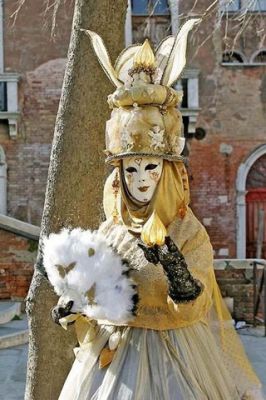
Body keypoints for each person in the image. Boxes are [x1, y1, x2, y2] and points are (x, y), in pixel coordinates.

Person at [43, 20, 264, 400]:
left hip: (179, 360)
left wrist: (171, 261)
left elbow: (194, 303)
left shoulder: (187, 231)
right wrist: (73, 307)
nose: (142, 180)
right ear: (119, 176)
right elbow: (97, 297)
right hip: (114, 365)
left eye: (151, 168)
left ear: (167, 172)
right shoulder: (109, 232)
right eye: (131, 169)